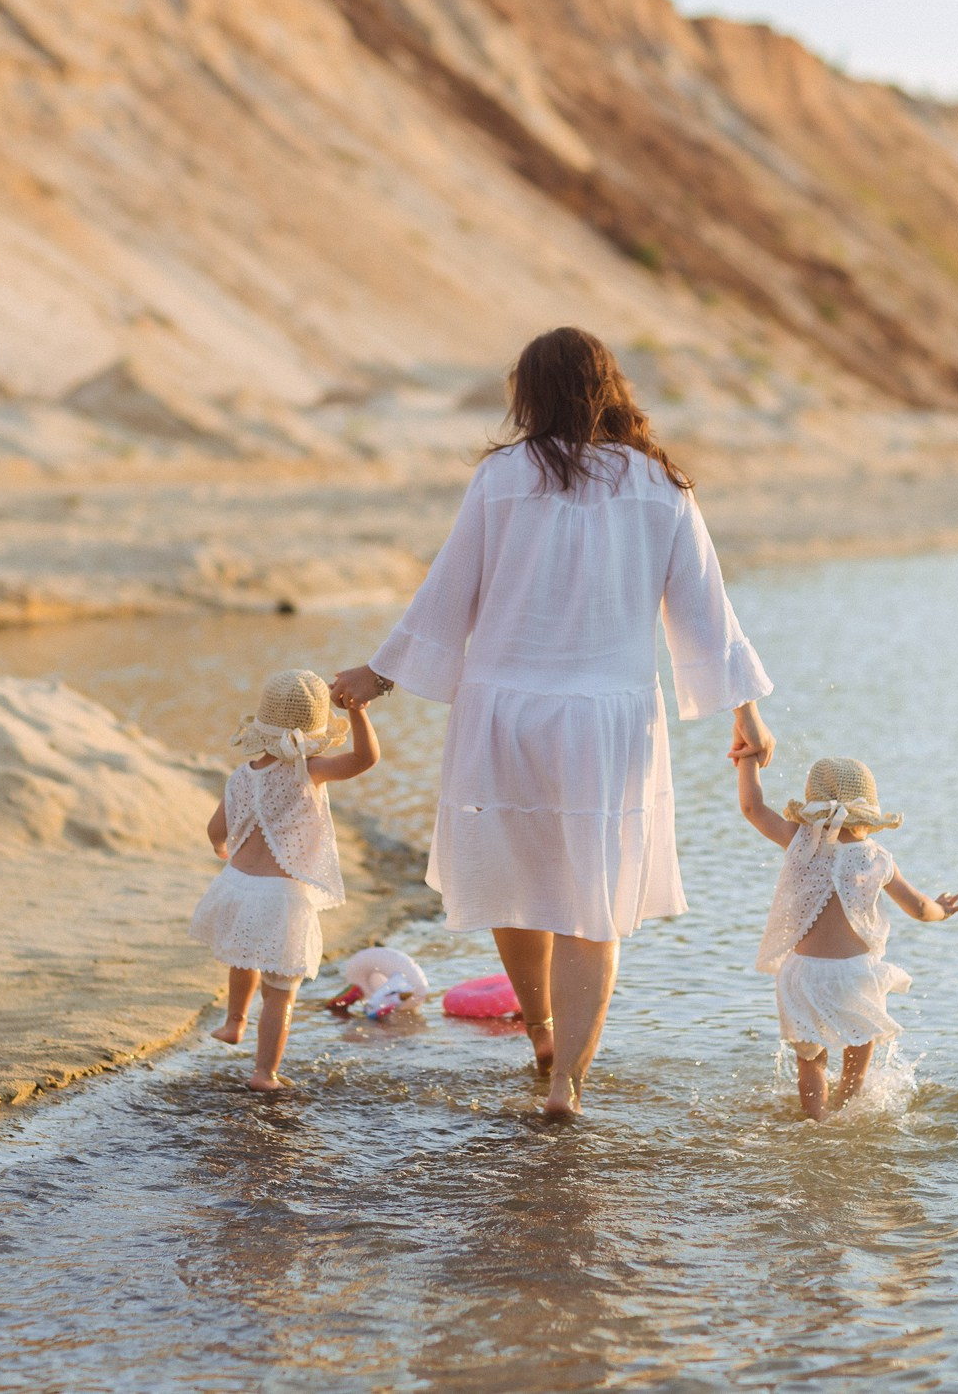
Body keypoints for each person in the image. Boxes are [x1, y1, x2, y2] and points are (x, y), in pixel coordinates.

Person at [332, 326, 774, 1118]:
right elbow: (706, 612)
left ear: (530, 393)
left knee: (512, 881)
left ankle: (539, 1031)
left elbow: (449, 589)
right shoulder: (659, 483)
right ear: (611, 388)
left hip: (504, 708)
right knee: (590, 903)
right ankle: (567, 1079)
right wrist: (746, 712)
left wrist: (379, 674)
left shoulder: (503, 476)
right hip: (609, 722)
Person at [738, 753, 958, 1120]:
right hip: (856, 976)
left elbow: (752, 808)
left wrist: (748, 760)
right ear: (868, 812)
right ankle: (846, 1115)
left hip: (803, 974)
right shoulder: (877, 858)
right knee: (857, 1060)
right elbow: (919, 908)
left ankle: (815, 1123)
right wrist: (942, 909)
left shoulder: (799, 840)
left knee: (811, 1062)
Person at [191, 668, 380, 1091]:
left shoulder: (242, 775)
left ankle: (234, 1022)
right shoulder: (309, 771)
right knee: (280, 991)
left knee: (243, 957)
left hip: (238, 887)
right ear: (314, 731)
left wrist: (222, 849)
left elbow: (216, 830)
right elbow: (365, 759)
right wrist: (358, 713)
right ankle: (265, 1074)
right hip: (280, 897)